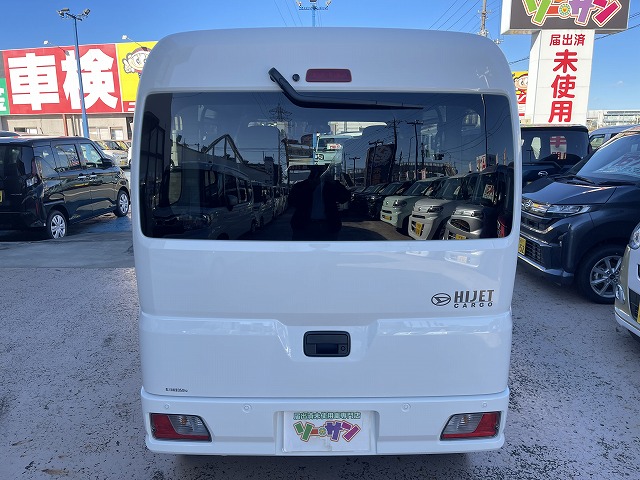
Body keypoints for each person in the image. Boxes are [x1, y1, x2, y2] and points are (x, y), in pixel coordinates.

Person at [289, 165, 351, 241]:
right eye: (316, 166)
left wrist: (334, 183)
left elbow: (344, 198)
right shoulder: (301, 186)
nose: (319, 169)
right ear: (310, 168)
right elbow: (292, 202)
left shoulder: (332, 185)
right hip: (304, 226)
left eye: (321, 167)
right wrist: (310, 187)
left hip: (328, 226)